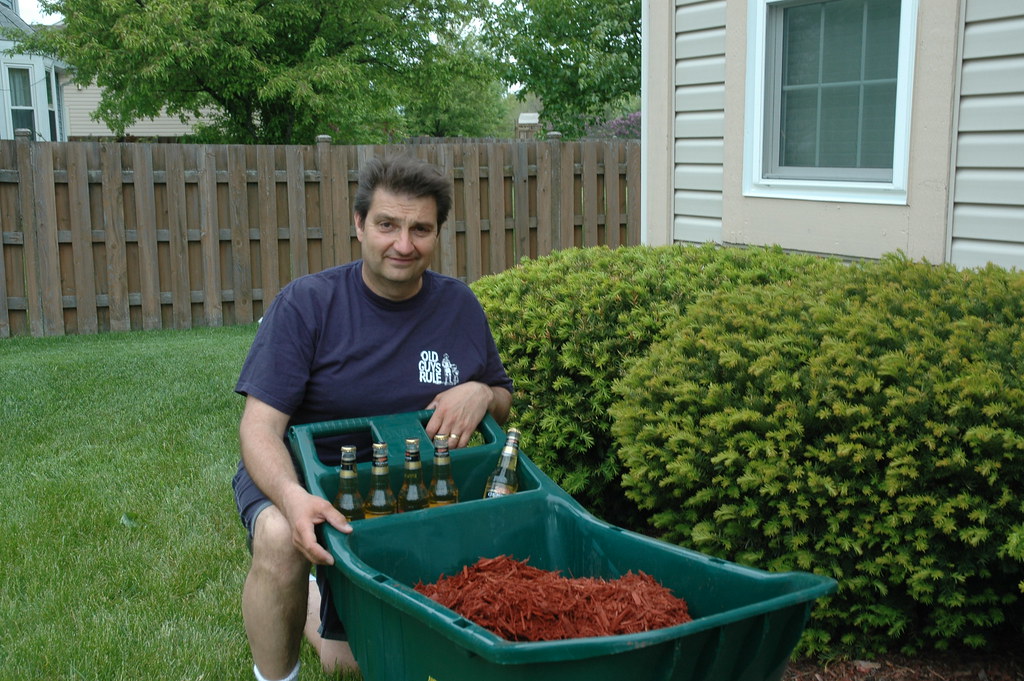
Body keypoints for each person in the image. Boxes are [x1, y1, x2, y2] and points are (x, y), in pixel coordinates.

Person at [231, 155, 514, 681]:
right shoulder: (307, 305)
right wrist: (293, 499)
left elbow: (501, 398)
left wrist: (480, 391)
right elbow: (259, 427)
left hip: (404, 486)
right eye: (387, 225)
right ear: (359, 225)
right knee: (277, 536)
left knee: (349, 663)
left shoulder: (459, 306)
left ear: (437, 234)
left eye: (420, 229)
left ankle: (320, 597)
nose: (404, 245)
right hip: (307, 478)